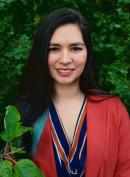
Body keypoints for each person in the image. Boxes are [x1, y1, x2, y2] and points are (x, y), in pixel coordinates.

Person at [16, 8, 130, 177]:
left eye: (75, 48)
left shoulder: (113, 110)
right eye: (54, 49)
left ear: (87, 52)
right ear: (42, 53)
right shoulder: (24, 111)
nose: (65, 59)